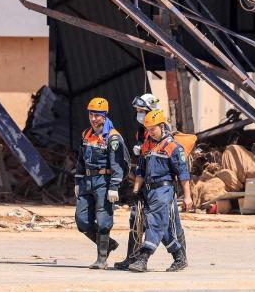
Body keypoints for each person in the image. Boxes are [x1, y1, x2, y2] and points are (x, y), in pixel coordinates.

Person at [129, 109, 192, 272]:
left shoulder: (173, 147)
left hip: (164, 191)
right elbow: (140, 171)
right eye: (148, 129)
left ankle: (143, 257)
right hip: (148, 191)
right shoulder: (147, 145)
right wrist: (136, 192)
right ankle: (179, 257)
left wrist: (187, 197)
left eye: (153, 129)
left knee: (155, 222)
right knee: (162, 227)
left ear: (162, 126)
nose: (150, 133)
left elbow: (183, 174)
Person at [74, 97, 128, 269]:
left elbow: (118, 164)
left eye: (97, 115)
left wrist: (114, 187)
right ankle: (109, 244)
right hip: (86, 181)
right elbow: (80, 161)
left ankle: (102, 259)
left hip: (103, 182)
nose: (93, 118)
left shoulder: (112, 137)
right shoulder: (86, 134)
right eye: (91, 114)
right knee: (82, 220)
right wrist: (77, 181)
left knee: (103, 220)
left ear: (104, 116)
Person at [113, 93, 160, 271]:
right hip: (143, 180)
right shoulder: (141, 130)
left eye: (142, 110)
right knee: (135, 218)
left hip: (159, 185)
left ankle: (179, 256)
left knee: (162, 224)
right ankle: (132, 257)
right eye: (138, 111)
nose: (139, 114)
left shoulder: (161, 129)